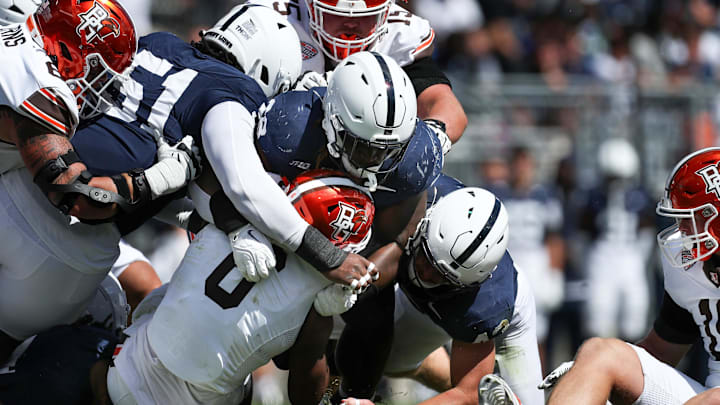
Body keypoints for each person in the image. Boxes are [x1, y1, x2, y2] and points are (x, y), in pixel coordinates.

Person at [0, 0, 203, 365]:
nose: (108, 93)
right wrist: (163, 178)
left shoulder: (16, 22)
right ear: (70, 53)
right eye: (103, 74)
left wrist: (176, 211)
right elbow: (79, 197)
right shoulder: (38, 91)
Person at [250, 50, 444, 399]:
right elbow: (242, 189)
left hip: (360, 249)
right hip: (283, 244)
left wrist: (356, 284)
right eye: (363, 147)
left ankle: (358, 394)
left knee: (373, 317)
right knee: (280, 350)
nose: (374, 160)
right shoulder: (293, 127)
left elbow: (399, 241)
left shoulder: (412, 158)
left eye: (387, 150)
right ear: (333, 122)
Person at [105, 170, 376, 405]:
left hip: (125, 373)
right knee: (238, 378)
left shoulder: (238, 204)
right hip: (195, 399)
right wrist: (322, 317)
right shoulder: (314, 296)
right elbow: (305, 397)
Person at [343, 174, 544, 405]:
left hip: (475, 307)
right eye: (427, 260)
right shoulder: (415, 196)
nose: (426, 275)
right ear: (425, 224)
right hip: (427, 298)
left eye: (442, 275)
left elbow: (467, 393)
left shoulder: (483, 304)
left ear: (469, 284)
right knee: (389, 359)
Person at [546, 147, 720, 405]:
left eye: (689, 218)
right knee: (600, 354)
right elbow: (663, 348)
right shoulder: (689, 264)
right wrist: (587, 372)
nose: (681, 230)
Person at [249, 0, 467, 154]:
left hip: (367, 160)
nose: (351, 24)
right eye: (336, 13)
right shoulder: (273, 18)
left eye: (366, 16)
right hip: (278, 157)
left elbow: (445, 106)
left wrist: (426, 144)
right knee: (295, 118)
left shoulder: (399, 35)